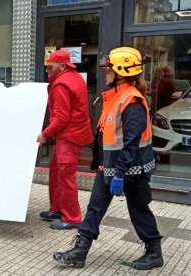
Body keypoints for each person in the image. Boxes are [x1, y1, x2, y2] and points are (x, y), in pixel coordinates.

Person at [53, 47, 163, 270]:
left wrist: (120, 174)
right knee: (95, 208)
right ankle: (80, 251)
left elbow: (131, 143)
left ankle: (154, 252)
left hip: (131, 171)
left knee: (139, 210)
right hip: (110, 168)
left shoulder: (132, 101)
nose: (106, 72)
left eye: (109, 69)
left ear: (120, 72)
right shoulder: (115, 96)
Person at [37, 50, 93, 230]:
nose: (47, 71)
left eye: (50, 67)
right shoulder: (74, 77)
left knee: (66, 176)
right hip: (71, 134)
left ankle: (72, 217)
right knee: (56, 171)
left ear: (61, 66)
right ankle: (57, 209)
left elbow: (61, 118)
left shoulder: (61, 84)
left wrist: (45, 133)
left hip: (69, 136)